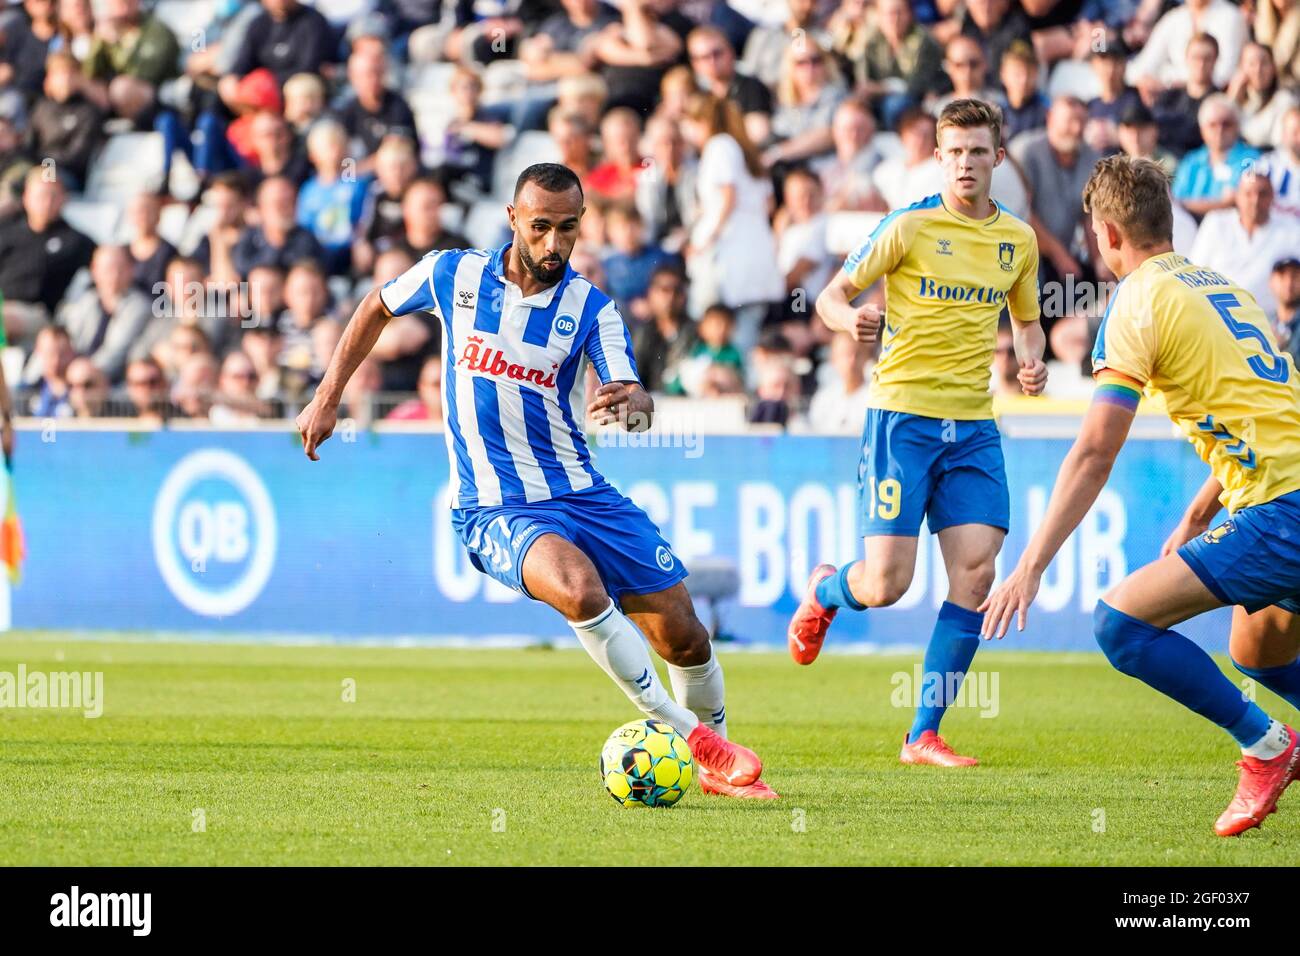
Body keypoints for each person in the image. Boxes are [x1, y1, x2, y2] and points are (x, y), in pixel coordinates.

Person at [295, 162, 777, 800]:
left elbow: (634, 391)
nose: (555, 243)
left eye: (568, 228)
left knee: (685, 634)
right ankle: (695, 739)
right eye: (542, 227)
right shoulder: (452, 274)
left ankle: (716, 766)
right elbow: (374, 306)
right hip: (497, 508)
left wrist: (632, 404)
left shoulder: (591, 309)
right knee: (578, 589)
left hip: (582, 493)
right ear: (513, 219)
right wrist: (327, 396)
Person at [982, 154, 1300, 837]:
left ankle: (1268, 746)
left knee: (1120, 626)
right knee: (1257, 650)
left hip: (1284, 510)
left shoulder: (1136, 302)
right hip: (1279, 496)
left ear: (1107, 235)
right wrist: (1196, 512)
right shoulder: (1224, 286)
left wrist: (1030, 565)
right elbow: (1272, 408)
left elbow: (1097, 449)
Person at [792, 98, 1047, 767]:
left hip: (973, 425)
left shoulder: (1017, 241)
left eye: (978, 151)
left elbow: (1026, 318)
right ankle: (825, 591)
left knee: (975, 572)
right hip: (901, 419)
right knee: (886, 586)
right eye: (954, 151)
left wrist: (1031, 356)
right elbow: (829, 297)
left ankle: (922, 733)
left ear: (998, 156)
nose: (966, 163)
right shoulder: (906, 227)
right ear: (938, 159)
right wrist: (847, 323)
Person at [680, 92, 783, 356]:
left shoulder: (720, 146)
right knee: (746, 334)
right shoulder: (745, 150)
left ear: (704, 121)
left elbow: (728, 196)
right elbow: (767, 203)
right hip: (754, 249)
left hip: (731, 256)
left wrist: (704, 241)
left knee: (720, 327)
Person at [1189, 169, 1300, 316]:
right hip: (1215, 316)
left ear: (1273, 196)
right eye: (1249, 194)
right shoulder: (1216, 222)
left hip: (1270, 321)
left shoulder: (1291, 229)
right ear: (1237, 197)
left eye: (1263, 194)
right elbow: (1194, 271)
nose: (1255, 200)